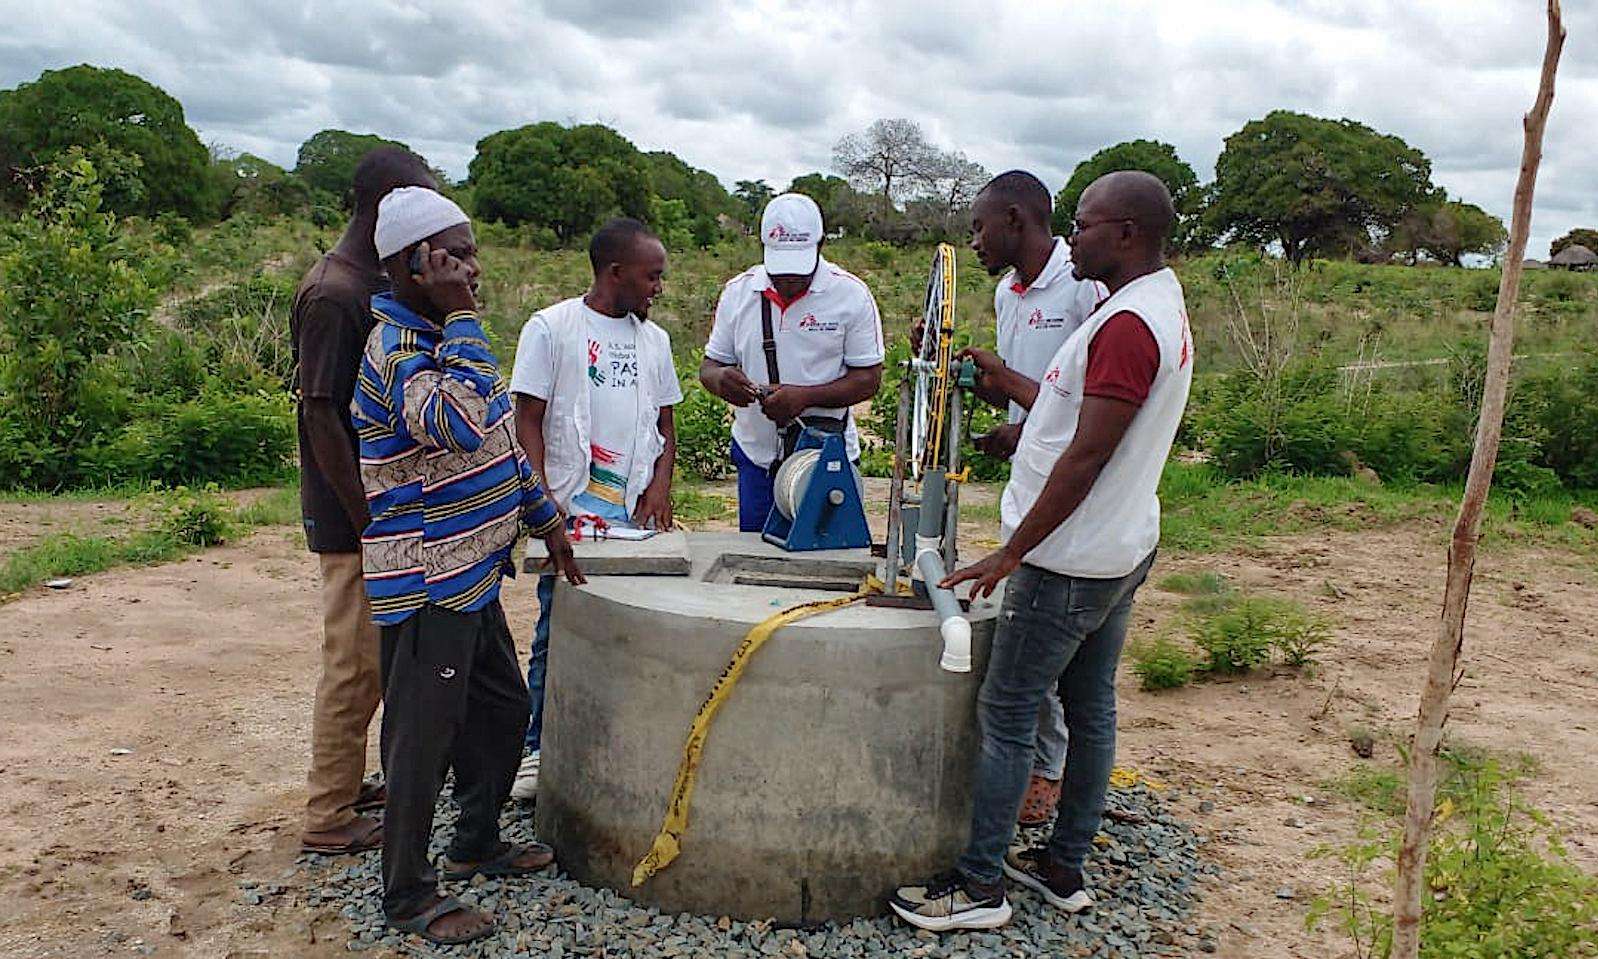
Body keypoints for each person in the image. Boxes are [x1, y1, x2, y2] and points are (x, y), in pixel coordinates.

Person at [889, 171, 1194, 932]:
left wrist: (1011, 553)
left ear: (1125, 234)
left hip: (1069, 560)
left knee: (1008, 709)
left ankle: (978, 884)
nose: (1074, 236)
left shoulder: (1126, 325)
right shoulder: (1154, 306)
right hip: (1120, 546)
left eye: (1086, 225)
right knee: (1091, 707)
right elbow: (1076, 424)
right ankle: (1062, 865)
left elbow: (1087, 457)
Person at [351, 186, 584, 946]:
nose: (474, 269)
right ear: (418, 263)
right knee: (422, 736)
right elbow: (453, 422)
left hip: (472, 570)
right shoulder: (397, 350)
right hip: (425, 578)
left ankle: (476, 840)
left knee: (502, 709)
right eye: (459, 254)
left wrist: (546, 521)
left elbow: (499, 440)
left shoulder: (449, 340)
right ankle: (409, 893)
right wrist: (461, 317)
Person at [290, 147, 435, 856]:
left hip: (370, 509)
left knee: (376, 657)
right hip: (352, 514)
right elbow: (320, 413)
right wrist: (367, 515)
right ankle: (327, 815)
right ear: (389, 209)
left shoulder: (364, 282)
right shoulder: (335, 294)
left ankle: (350, 786)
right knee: (352, 661)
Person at [507, 217, 680, 800]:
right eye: (651, 275)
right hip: (570, 512)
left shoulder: (653, 341)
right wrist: (543, 501)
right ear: (615, 272)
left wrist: (660, 486)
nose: (658, 286)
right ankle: (537, 749)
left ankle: (615, 743)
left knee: (628, 626)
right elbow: (526, 418)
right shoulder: (552, 330)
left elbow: (665, 422)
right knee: (559, 629)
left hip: (631, 516)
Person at [967, 171, 1105, 828]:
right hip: (1030, 487)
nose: (974, 242)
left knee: (1048, 658)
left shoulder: (1084, 288)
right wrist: (975, 375)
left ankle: (1046, 778)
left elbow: (1090, 406)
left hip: (1070, 498)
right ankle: (1052, 779)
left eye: (979, 227)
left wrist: (1028, 420)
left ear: (1017, 219)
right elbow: (1019, 392)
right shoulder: (1008, 293)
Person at [699, 193, 884, 530]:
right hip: (758, 459)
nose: (788, 281)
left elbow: (869, 378)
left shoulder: (851, 295)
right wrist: (721, 380)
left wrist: (804, 398)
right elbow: (709, 367)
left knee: (827, 561)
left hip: (823, 459)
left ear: (821, 244)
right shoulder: (739, 294)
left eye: (798, 269)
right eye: (779, 269)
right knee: (755, 564)